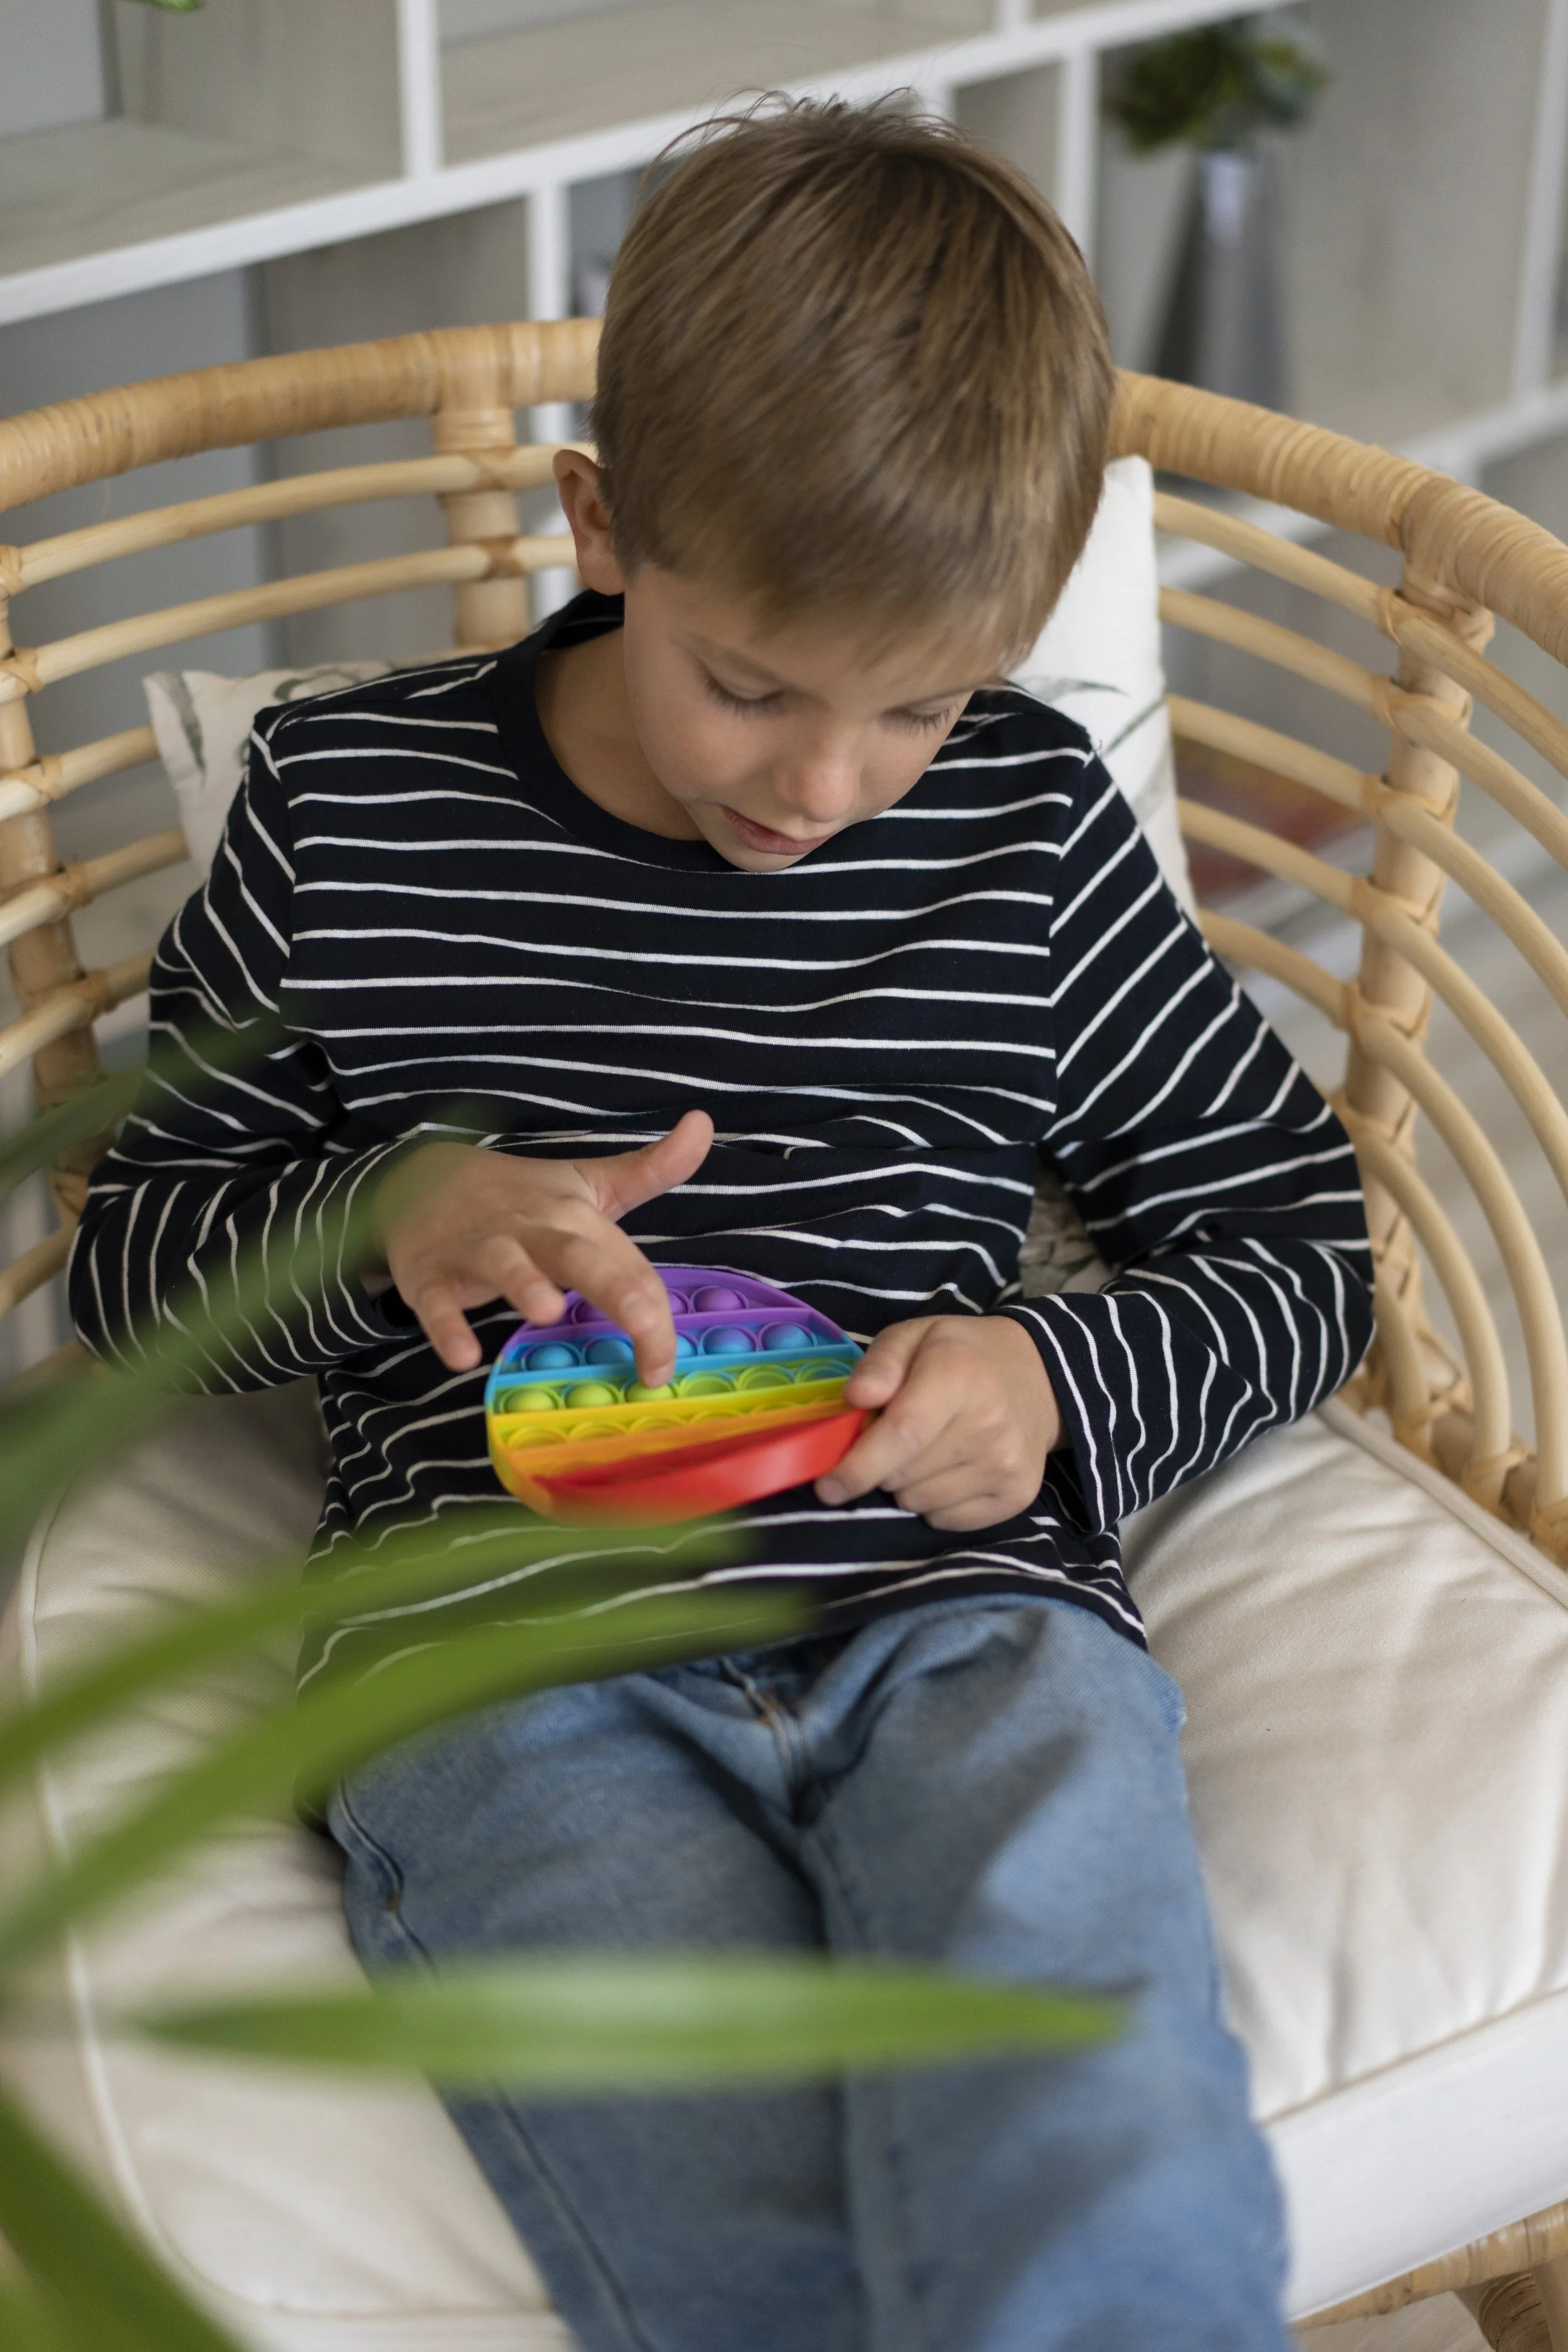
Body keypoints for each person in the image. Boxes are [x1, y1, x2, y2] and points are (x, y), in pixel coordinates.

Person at [71, 98, 1372, 2352]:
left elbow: (1297, 1245)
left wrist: (1059, 1382)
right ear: (604, 527)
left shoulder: (1027, 833)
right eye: (749, 684)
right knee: (734, 2227)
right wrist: (384, 1215)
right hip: (500, 1648)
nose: (820, 781)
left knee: (1094, 2159)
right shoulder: (345, 807)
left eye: (917, 703)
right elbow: (123, 1275)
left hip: (967, 1615)